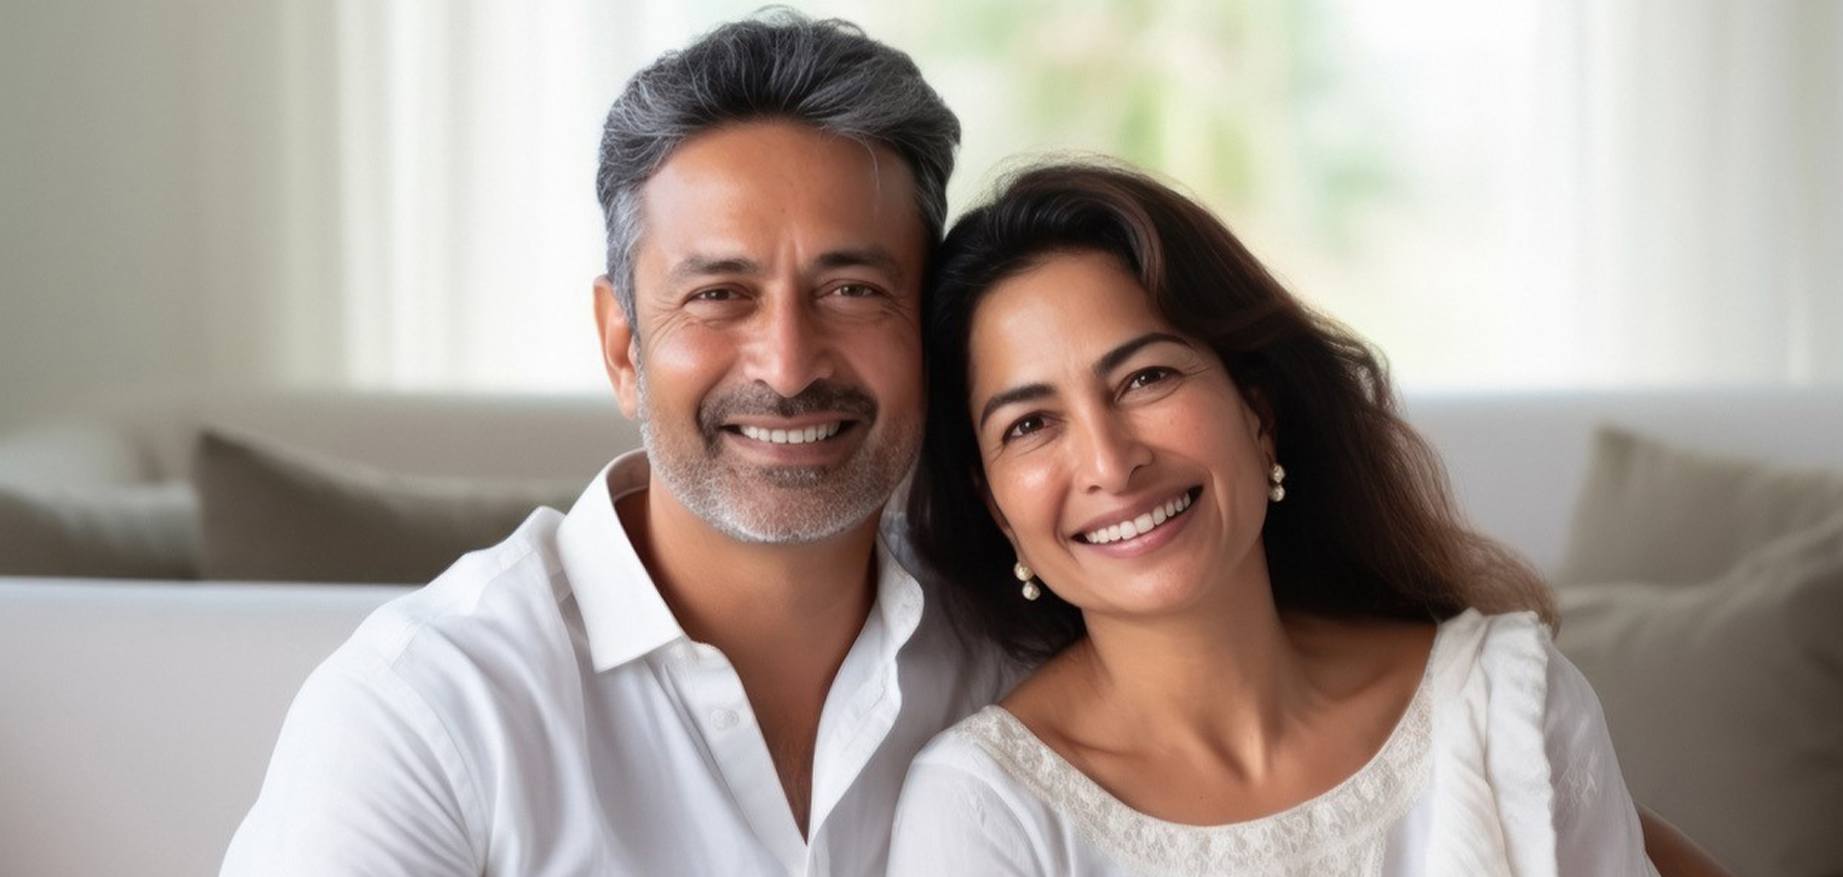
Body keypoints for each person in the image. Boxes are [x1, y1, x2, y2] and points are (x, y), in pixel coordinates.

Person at [222, 10, 1727, 877]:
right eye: (718, 297)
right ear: (621, 341)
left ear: (924, 344)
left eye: (853, 289)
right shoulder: (437, 711)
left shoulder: (1033, 615)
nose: (790, 360)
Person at [887, 162, 1661, 875]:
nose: (1108, 462)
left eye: (1145, 377)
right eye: (1029, 425)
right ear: (996, 507)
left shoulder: (1505, 706)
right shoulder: (982, 811)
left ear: (1257, 415)